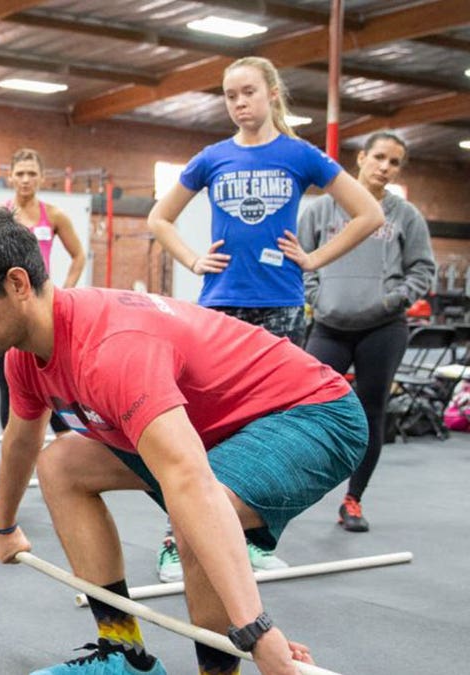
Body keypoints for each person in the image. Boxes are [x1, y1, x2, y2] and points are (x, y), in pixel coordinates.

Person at [0, 209, 366, 675]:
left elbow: (189, 482)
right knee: (62, 465)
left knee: (194, 513)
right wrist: (4, 526)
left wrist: (256, 631)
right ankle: (125, 655)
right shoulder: (27, 356)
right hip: (216, 427)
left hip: (313, 411)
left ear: (17, 284)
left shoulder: (112, 351)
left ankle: (219, 673)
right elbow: (22, 439)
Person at [147, 55, 384, 582]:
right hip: (219, 306)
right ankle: (176, 542)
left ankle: (252, 540)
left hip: (280, 307)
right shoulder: (212, 158)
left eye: (248, 92)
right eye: (230, 95)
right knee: (203, 426)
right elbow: (159, 218)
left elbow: (369, 213)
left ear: (272, 93)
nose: (239, 104)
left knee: (273, 428)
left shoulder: (300, 155)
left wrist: (315, 259)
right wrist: (190, 259)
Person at [300, 131, 435, 533]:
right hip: (328, 324)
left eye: (395, 163)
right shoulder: (322, 210)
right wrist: (318, 299)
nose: (385, 168)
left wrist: (393, 300)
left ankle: (353, 500)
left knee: (372, 412)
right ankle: (288, 492)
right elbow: (301, 261)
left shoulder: (404, 215)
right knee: (303, 405)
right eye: (379, 157)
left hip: (383, 328)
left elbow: (422, 269)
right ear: (361, 157)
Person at [0, 148, 86, 435]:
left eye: (31, 174)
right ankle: (14, 453)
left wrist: (65, 292)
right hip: (7, 312)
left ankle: (67, 447)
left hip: (43, 311)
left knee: (55, 380)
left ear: (42, 178)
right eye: (20, 173)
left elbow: (79, 255)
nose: (25, 179)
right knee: (9, 383)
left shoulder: (54, 216)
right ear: (10, 177)